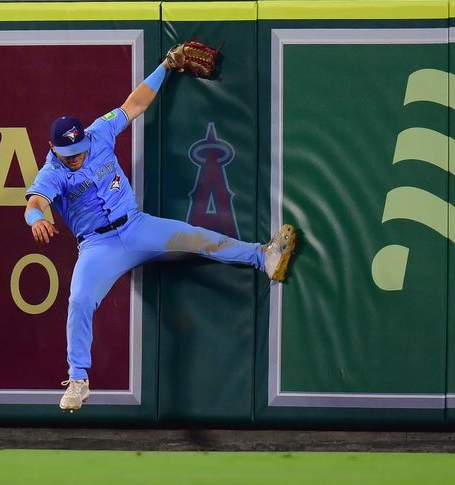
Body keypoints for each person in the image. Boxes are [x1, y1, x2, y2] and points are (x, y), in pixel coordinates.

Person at [24, 55, 296, 412]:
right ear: (52, 149)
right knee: (78, 301)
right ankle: (78, 380)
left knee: (198, 237)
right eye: (67, 153)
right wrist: (36, 219)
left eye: (78, 151)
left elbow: (134, 103)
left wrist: (167, 66)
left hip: (136, 227)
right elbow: (35, 201)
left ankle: (264, 257)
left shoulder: (97, 132)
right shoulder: (53, 170)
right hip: (98, 247)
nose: (74, 157)